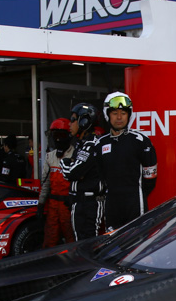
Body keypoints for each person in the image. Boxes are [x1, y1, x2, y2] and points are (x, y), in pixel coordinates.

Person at [95, 91, 158, 231]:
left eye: (123, 113)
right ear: (107, 114)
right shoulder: (100, 144)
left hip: (135, 204)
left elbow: (150, 178)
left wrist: (135, 193)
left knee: (137, 241)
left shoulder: (141, 141)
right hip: (112, 205)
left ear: (129, 115)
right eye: (114, 113)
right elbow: (99, 175)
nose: (119, 117)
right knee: (112, 241)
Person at [60, 102, 106, 240]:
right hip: (80, 202)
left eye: (73, 120)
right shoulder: (82, 145)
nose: (69, 124)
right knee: (80, 242)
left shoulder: (91, 145)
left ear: (84, 122)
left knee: (89, 244)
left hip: (89, 204)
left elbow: (71, 173)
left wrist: (64, 161)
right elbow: (75, 172)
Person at [38, 119, 76, 247]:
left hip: (69, 205)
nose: (58, 139)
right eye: (55, 136)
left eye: (61, 135)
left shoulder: (76, 155)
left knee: (71, 238)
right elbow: (46, 183)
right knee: (50, 237)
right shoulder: (50, 156)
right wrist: (41, 203)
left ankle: (74, 259)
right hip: (53, 205)